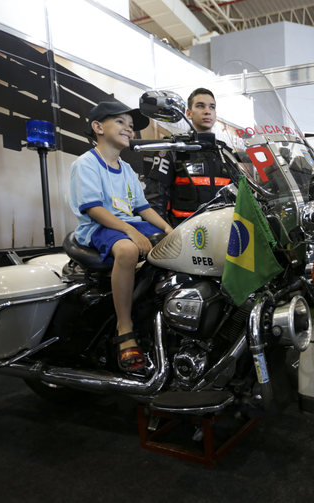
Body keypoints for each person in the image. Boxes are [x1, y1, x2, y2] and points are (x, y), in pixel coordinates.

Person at [71, 102, 174, 372]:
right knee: (128, 251)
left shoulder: (126, 169)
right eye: (120, 122)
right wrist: (128, 230)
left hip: (129, 224)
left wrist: (169, 230)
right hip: (98, 227)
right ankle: (124, 326)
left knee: (178, 247)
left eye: (130, 124)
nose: (129, 127)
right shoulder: (86, 164)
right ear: (98, 127)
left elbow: (142, 208)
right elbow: (93, 209)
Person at [144, 87, 233, 227]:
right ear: (188, 113)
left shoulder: (226, 153)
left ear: (215, 114)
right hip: (184, 234)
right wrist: (161, 234)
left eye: (212, 107)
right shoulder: (173, 149)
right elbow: (156, 199)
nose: (207, 111)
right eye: (200, 106)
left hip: (223, 231)